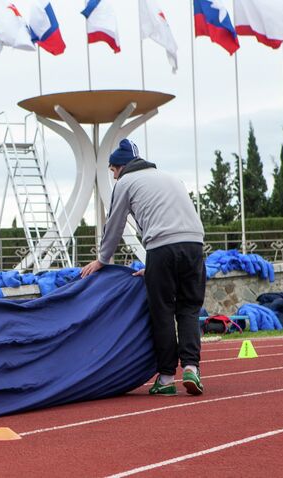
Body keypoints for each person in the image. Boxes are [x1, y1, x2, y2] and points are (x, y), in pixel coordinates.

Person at [80, 139, 206, 397]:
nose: (113, 177)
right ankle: (192, 367)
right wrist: (154, 266)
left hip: (162, 248)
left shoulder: (126, 182)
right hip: (194, 244)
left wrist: (102, 260)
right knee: (189, 309)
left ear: (120, 167)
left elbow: (114, 224)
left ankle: (167, 377)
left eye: (113, 171)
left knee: (162, 311)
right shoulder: (169, 177)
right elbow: (175, 220)